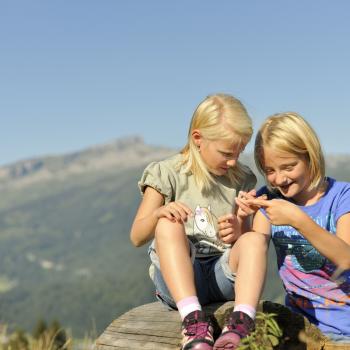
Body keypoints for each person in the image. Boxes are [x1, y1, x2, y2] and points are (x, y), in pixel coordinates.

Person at [130, 93, 269, 350]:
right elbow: (137, 236)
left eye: (239, 152)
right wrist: (160, 213)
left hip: (223, 276)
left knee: (254, 239)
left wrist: (240, 229)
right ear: (198, 139)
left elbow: (246, 244)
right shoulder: (167, 173)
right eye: (226, 152)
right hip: (180, 280)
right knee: (167, 224)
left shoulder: (242, 178)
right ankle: (193, 321)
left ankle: (242, 321)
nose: (233, 161)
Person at [238, 112, 350, 342]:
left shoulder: (342, 197)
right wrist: (240, 221)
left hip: (345, 329)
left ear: (310, 156)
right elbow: (250, 256)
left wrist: (298, 220)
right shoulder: (269, 198)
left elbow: (346, 258)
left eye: (288, 167)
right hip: (297, 328)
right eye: (270, 170)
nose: (279, 179)